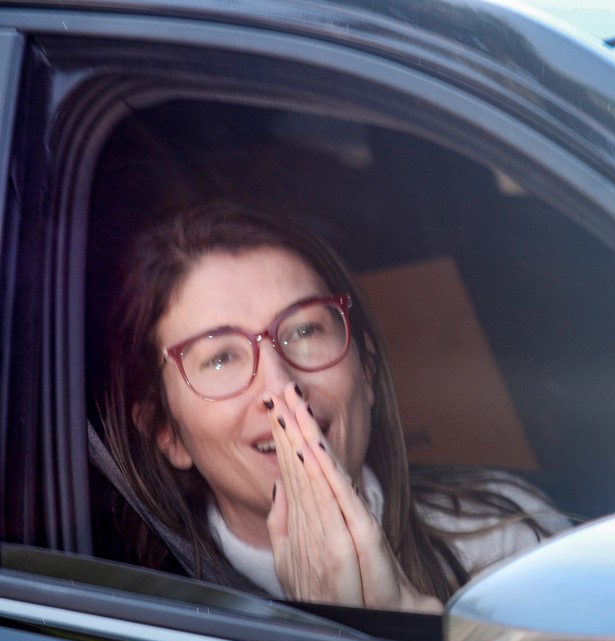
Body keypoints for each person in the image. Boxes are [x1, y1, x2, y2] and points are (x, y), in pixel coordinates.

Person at [100, 202, 570, 612]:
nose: (282, 388)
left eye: (304, 331)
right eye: (221, 357)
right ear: (169, 434)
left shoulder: (505, 541)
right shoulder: (143, 616)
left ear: (365, 370)